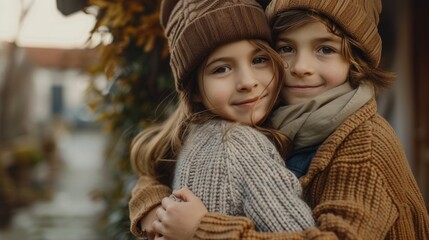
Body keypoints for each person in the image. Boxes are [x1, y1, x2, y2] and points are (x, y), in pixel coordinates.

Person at [129, 0, 429, 239]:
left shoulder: (366, 143)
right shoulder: (266, 109)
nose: (300, 67)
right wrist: (155, 209)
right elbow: (157, 168)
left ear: (356, 61)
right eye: (285, 48)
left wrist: (203, 228)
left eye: (325, 49)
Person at [129, 0, 316, 239]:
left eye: (259, 59)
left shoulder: (195, 134)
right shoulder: (239, 144)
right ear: (194, 89)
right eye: (221, 69)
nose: (247, 82)